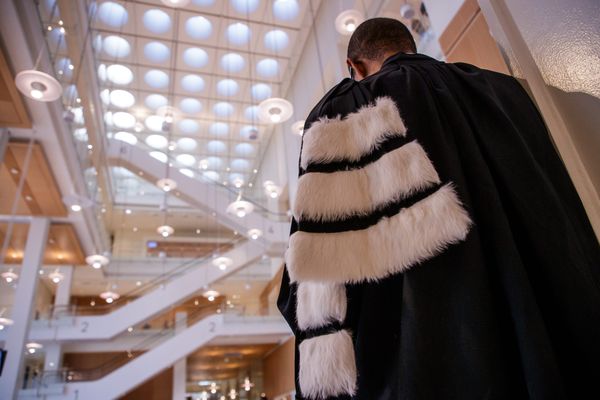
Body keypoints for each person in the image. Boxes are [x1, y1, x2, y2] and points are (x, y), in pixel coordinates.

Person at [277, 17, 600, 400]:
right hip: (563, 326)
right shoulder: (504, 90)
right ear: (411, 46)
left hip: (434, 354)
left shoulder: (347, 111)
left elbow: (319, 274)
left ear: (356, 67)